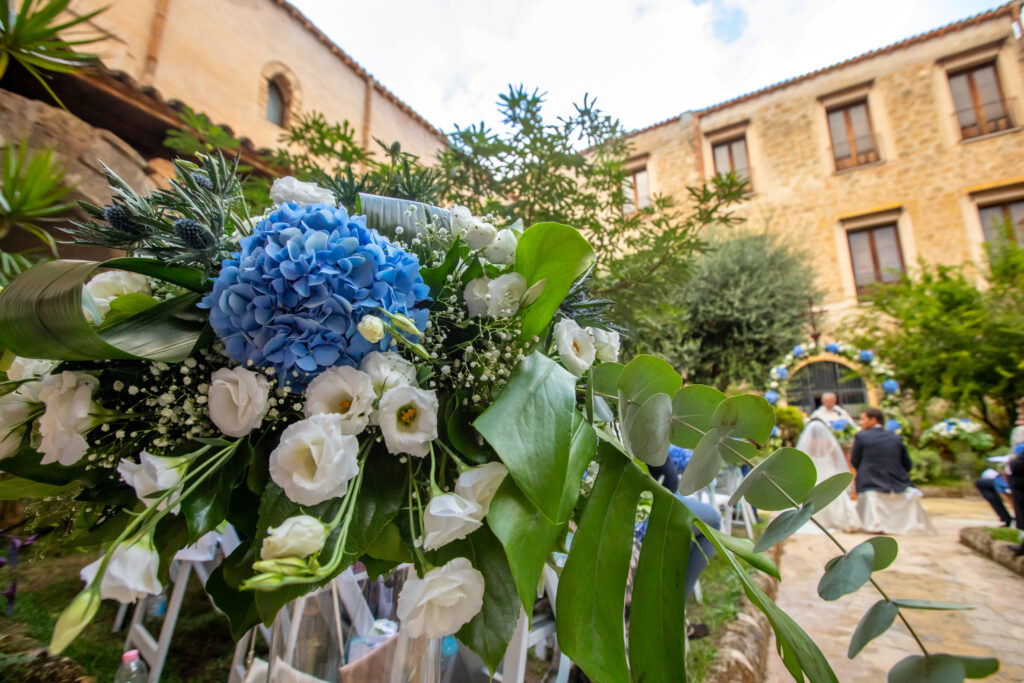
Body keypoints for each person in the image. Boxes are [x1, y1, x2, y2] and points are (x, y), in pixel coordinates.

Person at [851, 408, 934, 534]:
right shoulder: (895, 437)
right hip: (898, 484)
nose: (860, 423)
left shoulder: (861, 437)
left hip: (871, 483)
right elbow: (907, 464)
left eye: (863, 419)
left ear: (873, 420)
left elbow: (855, 462)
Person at [795, 420, 861, 531]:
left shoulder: (807, 443)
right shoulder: (830, 443)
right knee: (834, 494)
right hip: (829, 472)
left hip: (813, 473)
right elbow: (837, 460)